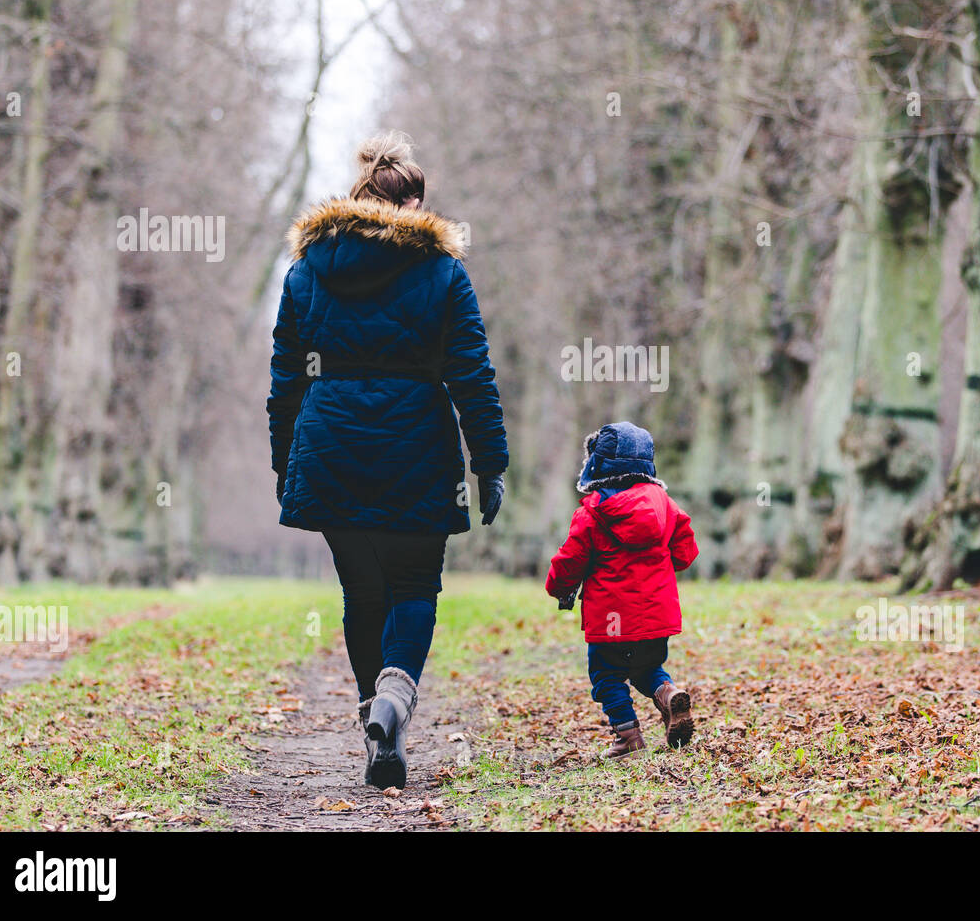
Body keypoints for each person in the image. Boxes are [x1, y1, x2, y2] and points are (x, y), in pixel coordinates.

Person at [267, 132, 508, 789]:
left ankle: (374, 718)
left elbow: (286, 377)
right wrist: (490, 462)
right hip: (418, 448)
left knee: (362, 592)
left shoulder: (308, 271)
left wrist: (284, 459)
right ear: (415, 205)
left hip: (331, 447)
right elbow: (472, 375)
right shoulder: (442, 273)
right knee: (414, 587)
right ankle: (396, 701)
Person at [545, 421, 698, 758]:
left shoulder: (593, 511)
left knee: (607, 675)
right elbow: (685, 553)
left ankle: (628, 737)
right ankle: (669, 694)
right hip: (656, 614)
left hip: (611, 620)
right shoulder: (664, 504)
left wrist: (558, 587)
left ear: (597, 464)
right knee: (646, 668)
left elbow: (571, 560)